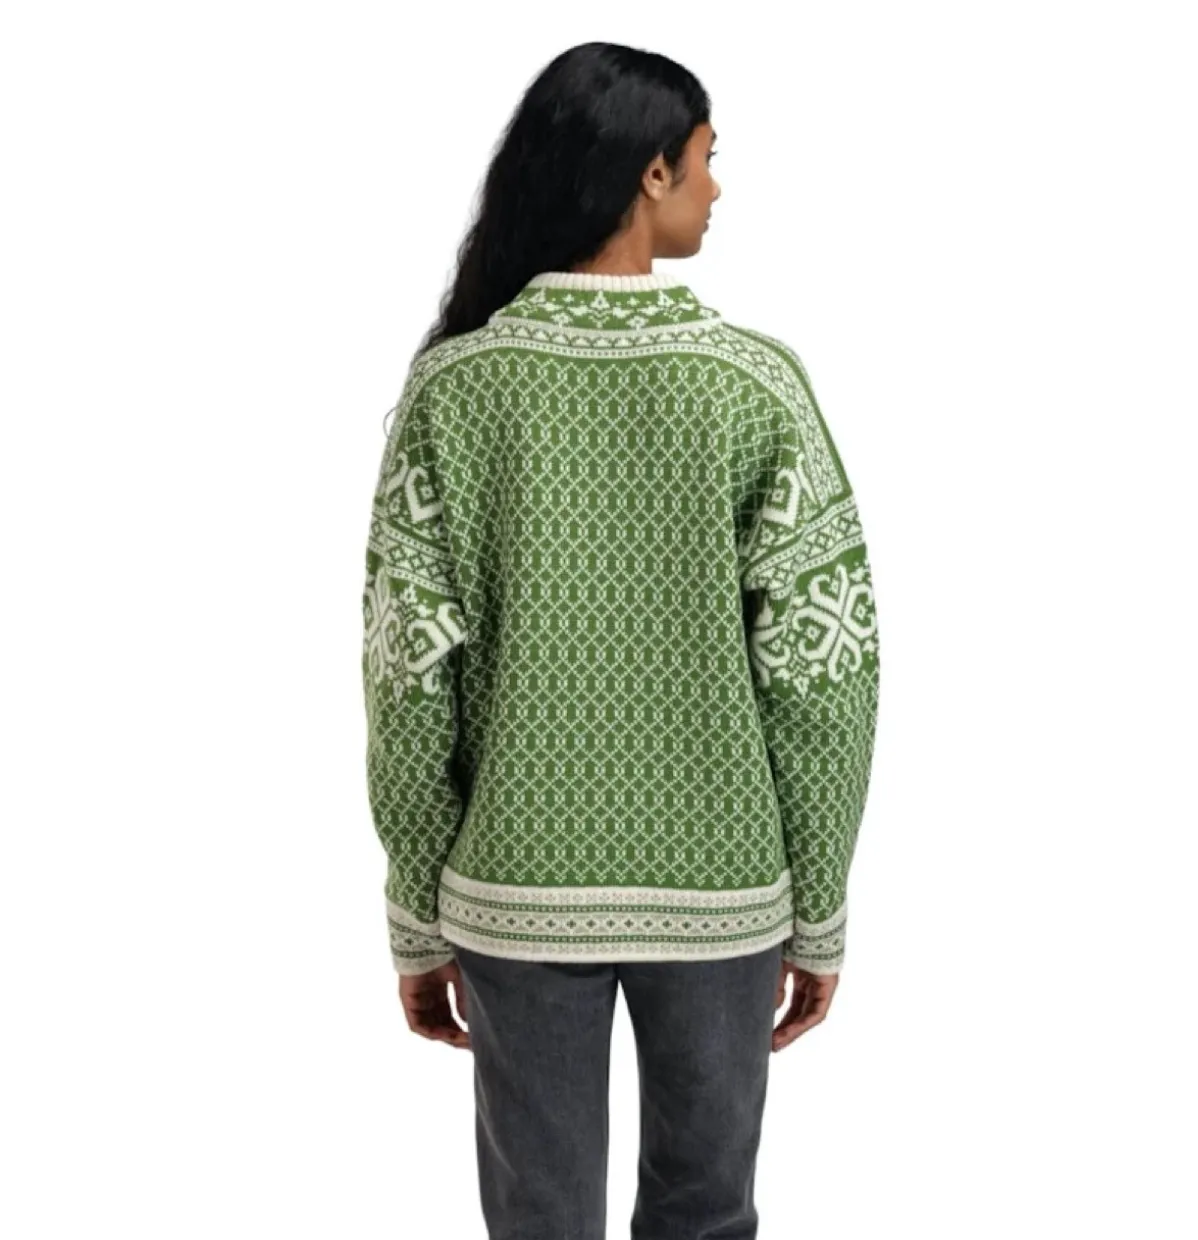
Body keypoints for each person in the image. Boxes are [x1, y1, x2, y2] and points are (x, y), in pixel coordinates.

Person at [360, 40, 881, 1240]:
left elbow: (406, 675)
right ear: (652, 172)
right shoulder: (752, 386)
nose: (716, 187)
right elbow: (824, 673)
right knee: (705, 1211)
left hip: (514, 886)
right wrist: (818, 904)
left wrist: (416, 910)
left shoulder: (458, 391)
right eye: (706, 159)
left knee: (538, 1218)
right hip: (722, 887)